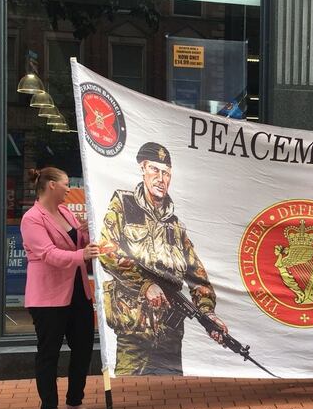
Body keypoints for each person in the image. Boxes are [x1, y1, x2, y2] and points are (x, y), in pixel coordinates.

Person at [98, 142, 228, 375]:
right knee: (129, 392)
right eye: (155, 170)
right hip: (134, 329)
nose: (161, 178)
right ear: (143, 168)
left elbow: (197, 275)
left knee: (171, 393)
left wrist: (208, 313)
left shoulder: (175, 225)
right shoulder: (124, 204)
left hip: (170, 333)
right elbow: (107, 251)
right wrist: (145, 285)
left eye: (166, 173)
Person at [21, 167, 100, 409]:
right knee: (49, 353)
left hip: (78, 291)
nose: (69, 188)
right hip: (48, 296)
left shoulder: (65, 210)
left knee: (84, 348)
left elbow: (76, 243)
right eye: (66, 184)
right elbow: (47, 253)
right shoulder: (32, 218)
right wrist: (81, 254)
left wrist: (86, 233)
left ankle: (75, 402)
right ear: (52, 185)